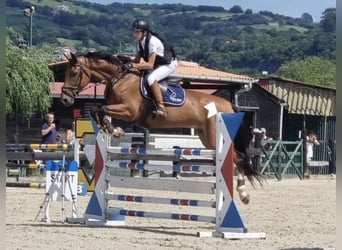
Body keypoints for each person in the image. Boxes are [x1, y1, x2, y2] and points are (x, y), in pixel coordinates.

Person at [126, 19, 178, 119]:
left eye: (137, 31)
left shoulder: (152, 41)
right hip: (159, 64)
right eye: (134, 31)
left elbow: (149, 65)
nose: (134, 34)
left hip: (169, 64)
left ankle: (161, 107)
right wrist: (125, 60)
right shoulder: (140, 42)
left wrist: (132, 66)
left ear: (144, 32)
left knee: (151, 79)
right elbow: (137, 59)